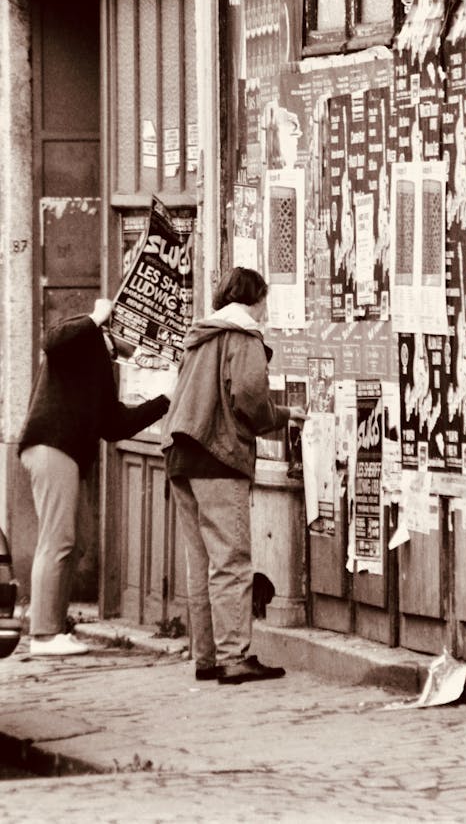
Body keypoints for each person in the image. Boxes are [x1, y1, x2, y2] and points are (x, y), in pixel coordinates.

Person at [161, 267, 306, 685]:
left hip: (182, 455)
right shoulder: (243, 338)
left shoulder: (203, 335)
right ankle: (234, 656)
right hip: (217, 456)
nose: (267, 311)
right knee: (231, 560)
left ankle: (206, 656)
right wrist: (283, 415)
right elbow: (249, 398)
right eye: (266, 302)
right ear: (256, 299)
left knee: (202, 561)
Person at [17, 299, 171, 656]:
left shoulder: (104, 361)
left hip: (65, 452)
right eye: (142, 339)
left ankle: (55, 626)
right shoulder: (84, 337)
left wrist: (164, 401)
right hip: (52, 445)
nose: (144, 351)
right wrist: (94, 317)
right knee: (58, 540)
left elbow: (113, 425)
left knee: (78, 540)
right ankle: (43, 634)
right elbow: (51, 339)